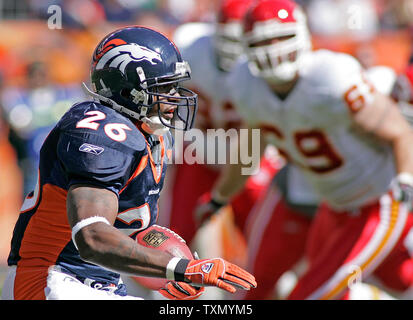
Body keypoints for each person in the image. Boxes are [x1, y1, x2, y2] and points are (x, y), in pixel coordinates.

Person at [1, 26, 256, 300]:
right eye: (163, 87)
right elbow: (92, 237)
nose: (175, 96)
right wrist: (180, 267)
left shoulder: (149, 136)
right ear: (127, 89)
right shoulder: (103, 132)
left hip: (93, 283)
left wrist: (162, 269)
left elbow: (122, 231)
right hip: (50, 280)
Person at [199, 0, 413, 299]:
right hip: (333, 204)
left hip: (377, 202)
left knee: (312, 293)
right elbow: (250, 150)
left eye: (282, 39)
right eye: (263, 42)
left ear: (303, 35)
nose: (273, 50)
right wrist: (219, 198)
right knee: (396, 281)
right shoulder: (245, 82)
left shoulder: (331, 77)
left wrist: (406, 182)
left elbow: (400, 132)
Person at [157, 0, 280, 251]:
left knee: (267, 240)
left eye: (238, 41)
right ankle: (167, 286)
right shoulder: (191, 49)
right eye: (225, 38)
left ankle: (266, 288)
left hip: (249, 156)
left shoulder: (261, 66)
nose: (231, 48)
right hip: (198, 153)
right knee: (173, 237)